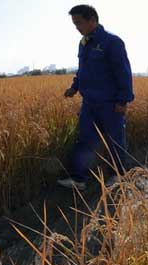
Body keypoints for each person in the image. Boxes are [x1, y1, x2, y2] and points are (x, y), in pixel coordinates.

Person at [57, 4, 135, 191]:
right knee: (85, 140)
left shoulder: (112, 42)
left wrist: (123, 101)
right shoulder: (83, 43)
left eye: (79, 22)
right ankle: (79, 180)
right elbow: (83, 70)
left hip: (110, 104)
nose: (76, 27)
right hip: (89, 104)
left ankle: (117, 177)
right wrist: (74, 87)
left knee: (115, 141)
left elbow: (123, 73)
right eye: (74, 23)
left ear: (92, 19)